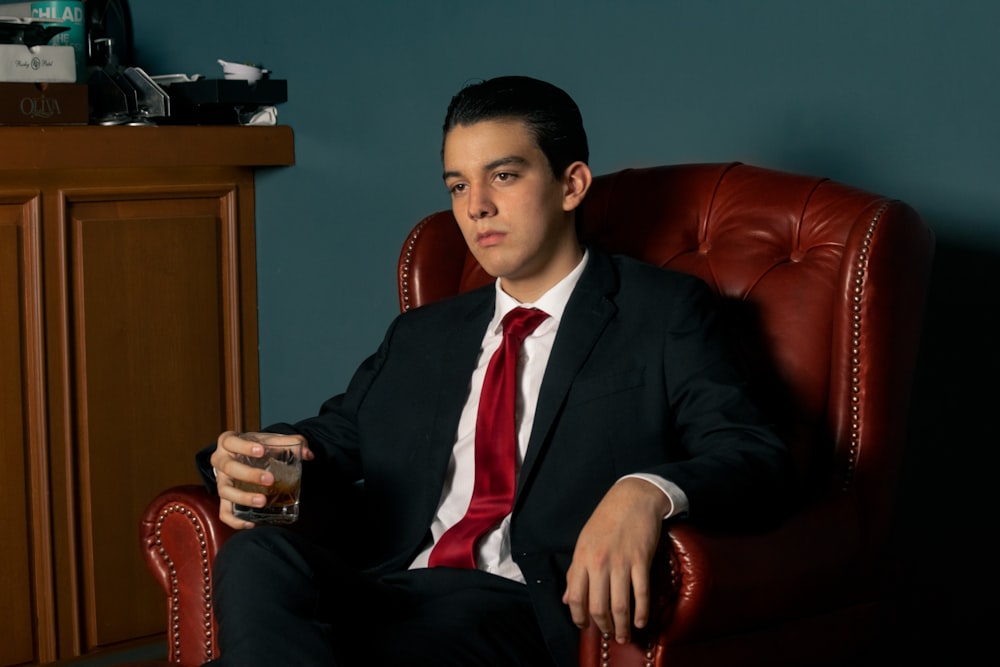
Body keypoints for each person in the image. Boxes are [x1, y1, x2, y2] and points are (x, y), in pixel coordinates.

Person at [199, 75, 792, 667]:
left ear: (571, 185)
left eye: (503, 176)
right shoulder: (423, 335)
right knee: (258, 557)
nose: (475, 205)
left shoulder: (660, 313)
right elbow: (332, 439)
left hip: (518, 608)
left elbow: (752, 451)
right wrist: (248, 458)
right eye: (458, 185)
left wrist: (646, 491)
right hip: (391, 588)